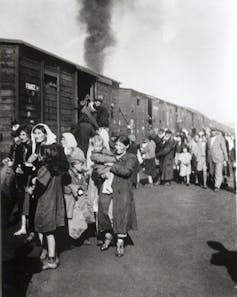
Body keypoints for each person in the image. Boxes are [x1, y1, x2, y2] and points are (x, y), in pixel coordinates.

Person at [30, 142, 69, 270]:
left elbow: (39, 188)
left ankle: (52, 259)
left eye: (40, 155)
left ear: (46, 157)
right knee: (50, 231)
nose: (39, 157)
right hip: (55, 203)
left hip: (46, 204)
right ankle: (51, 254)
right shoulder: (57, 170)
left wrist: (31, 189)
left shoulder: (44, 170)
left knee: (48, 232)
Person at [98, 135, 138, 257]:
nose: (118, 148)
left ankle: (120, 242)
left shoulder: (131, 157)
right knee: (105, 212)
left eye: (121, 145)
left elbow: (127, 171)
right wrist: (101, 174)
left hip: (122, 190)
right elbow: (98, 167)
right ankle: (108, 236)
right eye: (116, 145)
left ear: (126, 146)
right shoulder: (111, 155)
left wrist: (111, 166)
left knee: (121, 214)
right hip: (107, 188)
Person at [13, 125, 33, 236]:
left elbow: (32, 164)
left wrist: (24, 167)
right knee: (21, 202)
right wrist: (16, 167)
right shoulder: (20, 147)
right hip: (21, 178)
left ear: (29, 135)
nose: (21, 137)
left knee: (28, 203)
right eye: (20, 134)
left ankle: (31, 229)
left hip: (29, 177)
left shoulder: (32, 147)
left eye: (23, 134)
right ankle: (23, 227)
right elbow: (17, 161)